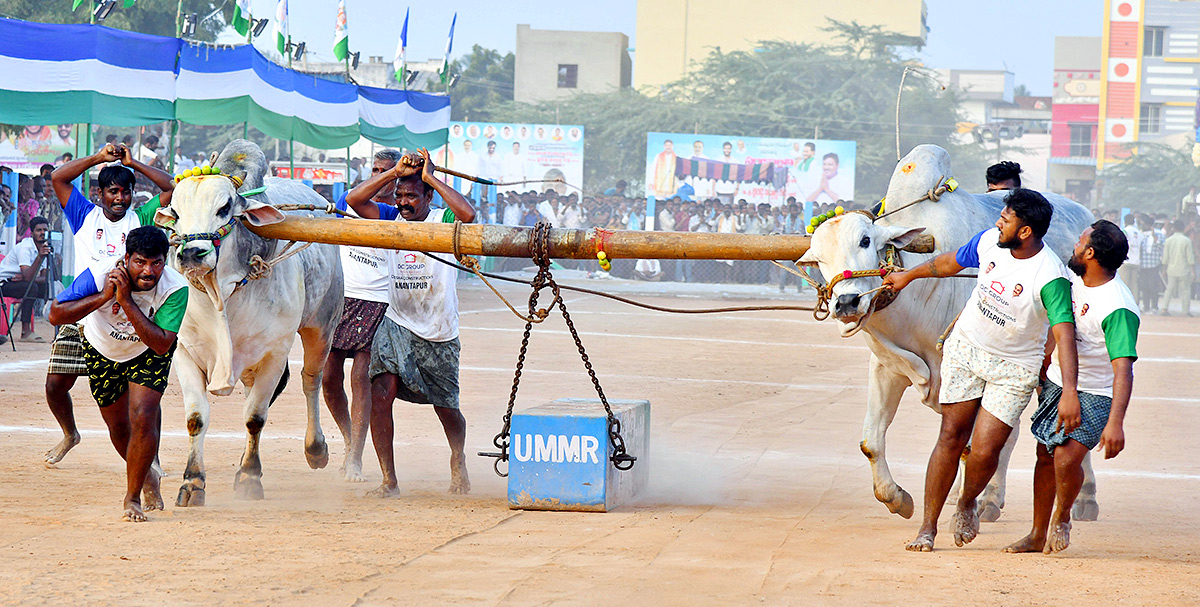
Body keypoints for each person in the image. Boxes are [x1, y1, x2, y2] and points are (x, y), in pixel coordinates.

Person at [883, 189, 1079, 552]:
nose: (997, 222)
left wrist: (1069, 390)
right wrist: (907, 277)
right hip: (966, 350)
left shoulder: (1051, 276)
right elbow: (948, 263)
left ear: (1025, 232)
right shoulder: (990, 241)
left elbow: (1064, 334)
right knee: (951, 435)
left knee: (986, 450)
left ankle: (967, 501)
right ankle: (928, 528)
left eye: (1005, 219)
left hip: (1014, 368)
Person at [342, 148, 476, 498]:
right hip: (397, 322)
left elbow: (468, 213)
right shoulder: (389, 216)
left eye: (412, 195)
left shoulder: (445, 219)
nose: (403, 202)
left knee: (447, 407)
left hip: (438, 329)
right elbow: (353, 200)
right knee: (380, 393)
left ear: (428, 196)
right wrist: (393, 174)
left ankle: (458, 457)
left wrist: (430, 176)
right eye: (400, 195)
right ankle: (389, 480)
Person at [1000, 220, 1138, 554]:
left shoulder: (1117, 306)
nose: (1073, 247)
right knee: (1044, 455)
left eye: (1079, 242)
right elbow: (1057, 327)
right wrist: (1044, 364)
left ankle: (1061, 518)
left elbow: (1123, 371)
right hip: (1058, 382)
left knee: (1065, 458)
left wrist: (1116, 423)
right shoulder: (1073, 280)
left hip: (1095, 392)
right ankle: (1035, 534)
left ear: (1089, 253)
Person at [44, 142, 174, 466]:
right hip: (86, 306)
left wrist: (137, 164)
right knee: (55, 385)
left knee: (141, 403)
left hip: (127, 314)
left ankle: (150, 462)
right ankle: (70, 433)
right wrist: (99, 158)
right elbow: (59, 178)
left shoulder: (142, 216)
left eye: (126, 191)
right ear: (100, 193)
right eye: (113, 191)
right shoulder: (83, 214)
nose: (120, 198)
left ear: (133, 193)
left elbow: (173, 188)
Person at [48, 226, 188, 522]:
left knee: (143, 415)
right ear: (126, 259)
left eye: (157, 262)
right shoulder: (100, 273)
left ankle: (132, 497)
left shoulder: (175, 288)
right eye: (140, 262)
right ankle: (147, 473)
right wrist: (104, 297)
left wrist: (125, 301)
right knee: (118, 428)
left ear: (166, 261)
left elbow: (162, 344)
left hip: (148, 350)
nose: (149, 271)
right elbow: (55, 313)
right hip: (101, 348)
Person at [323, 149, 404, 482]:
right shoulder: (351, 200)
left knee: (360, 379)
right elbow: (354, 198)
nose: (377, 174)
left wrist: (398, 175)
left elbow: (366, 202)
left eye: (385, 171)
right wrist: (390, 172)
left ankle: (355, 455)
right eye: (374, 169)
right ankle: (347, 438)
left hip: (376, 301)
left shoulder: (393, 212)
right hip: (340, 297)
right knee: (328, 379)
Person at [0, 216, 52, 342]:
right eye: (39, 230)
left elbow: (45, 278)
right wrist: (38, 259)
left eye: (45, 230)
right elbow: (29, 277)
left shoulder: (44, 247)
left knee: (48, 287)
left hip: (22, 282)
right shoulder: (25, 247)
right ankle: (25, 331)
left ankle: (55, 326)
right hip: (5, 283)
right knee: (31, 288)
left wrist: (27, 278)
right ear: (32, 232)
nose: (42, 233)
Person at [1160, 219, 1195, 315]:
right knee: (1185, 290)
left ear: (1174, 228)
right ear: (1183, 228)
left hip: (1171, 270)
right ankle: (1185, 311)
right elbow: (1190, 257)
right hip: (1184, 270)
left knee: (1169, 289)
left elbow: (1165, 258)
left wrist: (1164, 270)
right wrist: (1193, 271)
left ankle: (1164, 308)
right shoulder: (1186, 241)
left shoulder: (1168, 240)